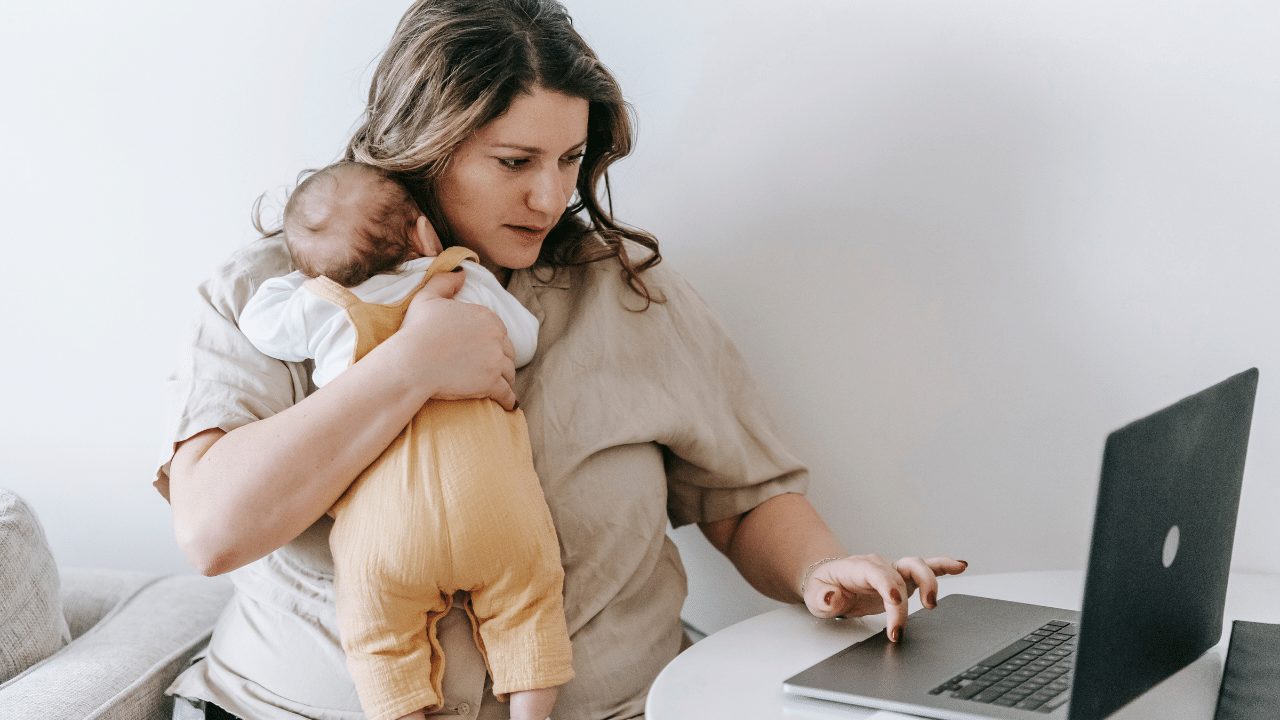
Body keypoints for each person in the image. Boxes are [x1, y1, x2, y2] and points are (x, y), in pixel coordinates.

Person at [157, 1, 968, 719]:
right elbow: (213, 530)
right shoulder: (274, 296)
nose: (550, 198)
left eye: (569, 160)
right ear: (421, 146)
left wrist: (822, 570)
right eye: (514, 162)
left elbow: (741, 498)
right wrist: (406, 369)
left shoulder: (627, 295)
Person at [237, 160, 572, 720]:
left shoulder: (325, 308)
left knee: (379, 638)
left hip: (386, 530)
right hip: (492, 504)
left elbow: (259, 321)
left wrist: (307, 275)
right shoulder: (462, 280)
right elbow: (523, 341)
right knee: (530, 605)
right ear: (422, 232)